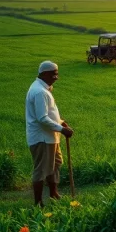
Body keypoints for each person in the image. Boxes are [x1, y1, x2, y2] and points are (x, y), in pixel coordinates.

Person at [25, 61, 73, 207]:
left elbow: (49, 113)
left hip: (51, 136)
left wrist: (61, 122)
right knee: (41, 169)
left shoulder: (44, 89)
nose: (56, 77)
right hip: (42, 138)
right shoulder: (40, 92)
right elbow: (42, 118)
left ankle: (53, 193)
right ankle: (38, 202)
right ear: (44, 74)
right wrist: (62, 129)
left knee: (55, 164)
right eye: (54, 74)